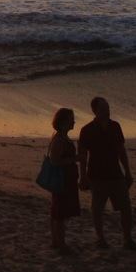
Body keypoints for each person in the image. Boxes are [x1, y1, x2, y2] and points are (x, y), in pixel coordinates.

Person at [78, 96, 136, 251]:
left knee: (126, 207)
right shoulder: (86, 130)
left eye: (108, 108)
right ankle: (100, 239)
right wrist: (83, 176)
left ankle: (127, 239)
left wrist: (128, 172)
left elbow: (121, 151)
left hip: (115, 174)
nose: (107, 111)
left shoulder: (115, 126)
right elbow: (82, 156)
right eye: (103, 109)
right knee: (97, 208)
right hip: (97, 175)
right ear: (95, 111)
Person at [47, 107, 80, 254]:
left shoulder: (62, 137)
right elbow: (54, 160)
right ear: (64, 122)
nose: (74, 121)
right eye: (71, 119)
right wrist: (74, 159)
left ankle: (57, 241)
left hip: (67, 179)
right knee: (59, 212)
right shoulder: (59, 139)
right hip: (62, 180)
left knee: (59, 211)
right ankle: (60, 243)